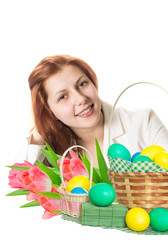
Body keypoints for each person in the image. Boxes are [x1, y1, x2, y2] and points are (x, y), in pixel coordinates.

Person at [16, 54, 168, 168]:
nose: (80, 98)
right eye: (63, 97)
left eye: (82, 84)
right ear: (49, 109)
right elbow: (16, 187)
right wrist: (39, 132)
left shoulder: (143, 122)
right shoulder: (52, 149)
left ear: (93, 82)